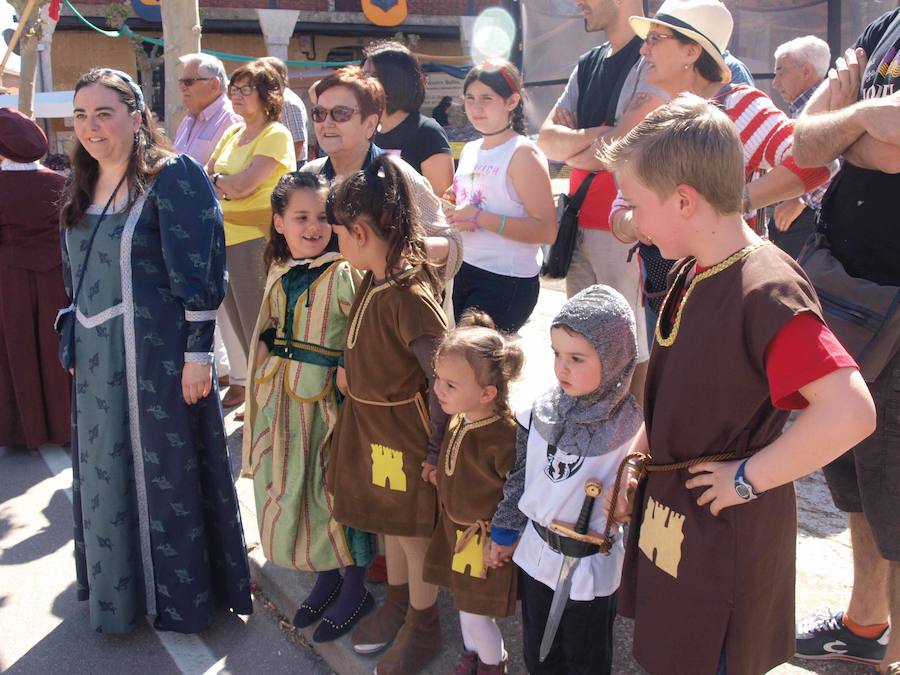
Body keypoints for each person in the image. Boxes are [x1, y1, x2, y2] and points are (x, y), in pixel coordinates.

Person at [596, 94, 876, 675]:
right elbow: (680, 391)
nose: (633, 222)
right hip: (677, 522)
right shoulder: (695, 266)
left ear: (683, 200)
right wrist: (638, 456)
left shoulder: (764, 288)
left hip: (724, 537)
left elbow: (851, 412)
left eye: (639, 206)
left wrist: (750, 478)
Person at [61, 68, 252, 633]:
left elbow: (199, 267)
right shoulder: (79, 181)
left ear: (138, 116)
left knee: (161, 470)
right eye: (80, 116)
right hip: (98, 360)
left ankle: (179, 599)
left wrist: (199, 355)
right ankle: (119, 595)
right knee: (104, 471)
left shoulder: (173, 178)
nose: (91, 128)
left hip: (157, 357)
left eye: (104, 113)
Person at [608, 0, 835, 350]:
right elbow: (618, 212)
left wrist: (731, 202)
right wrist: (638, 223)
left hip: (729, 294)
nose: (643, 49)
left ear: (691, 50)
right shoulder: (660, 117)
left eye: (656, 39)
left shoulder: (741, 105)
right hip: (664, 295)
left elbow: (815, 163)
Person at [791, 9, 900, 672]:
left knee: (897, 489)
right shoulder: (882, 25)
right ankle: (866, 623)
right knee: (859, 472)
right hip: (851, 294)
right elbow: (803, 142)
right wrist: (863, 121)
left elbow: (892, 146)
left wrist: (845, 120)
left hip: (895, 303)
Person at [324, 155, 448, 675]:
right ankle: (398, 605)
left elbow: (445, 377)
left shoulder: (409, 294)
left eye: (338, 235)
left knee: (415, 535)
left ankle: (425, 626)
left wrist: (438, 449)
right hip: (377, 433)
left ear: (358, 231)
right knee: (392, 528)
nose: (337, 245)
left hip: (407, 439)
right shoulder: (375, 279)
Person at [241, 172, 374, 642]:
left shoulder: (342, 274)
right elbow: (268, 331)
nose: (313, 226)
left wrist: (346, 369)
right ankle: (327, 575)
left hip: (331, 406)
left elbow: (364, 334)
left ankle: (356, 585)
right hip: (285, 403)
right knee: (300, 488)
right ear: (279, 223)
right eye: (301, 217)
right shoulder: (283, 274)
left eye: (323, 217)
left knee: (336, 490)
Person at [489, 284, 643, 674]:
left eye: (577, 358)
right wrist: (505, 532)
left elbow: (638, 497)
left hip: (591, 570)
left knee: (586, 660)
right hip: (537, 556)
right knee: (538, 654)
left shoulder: (632, 431)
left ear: (614, 358)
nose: (562, 368)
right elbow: (520, 478)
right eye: (557, 354)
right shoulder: (539, 412)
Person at [537, 0, 667, 406]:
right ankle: (593, 428)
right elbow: (546, 139)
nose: (579, 4)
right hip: (579, 221)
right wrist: (599, 140)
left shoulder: (652, 57)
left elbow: (622, 144)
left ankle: (633, 441)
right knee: (583, 337)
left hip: (625, 224)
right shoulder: (588, 62)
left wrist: (582, 145)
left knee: (631, 341)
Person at [422, 310, 524, 675]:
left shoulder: (503, 435)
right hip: (456, 532)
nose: (438, 389)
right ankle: (472, 653)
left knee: (477, 612)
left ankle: (493, 664)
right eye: (439, 378)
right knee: (463, 602)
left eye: (450, 384)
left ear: (487, 393)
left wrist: (504, 536)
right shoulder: (460, 416)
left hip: (484, 543)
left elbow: (516, 490)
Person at [301, 65, 462, 284]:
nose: (326, 123)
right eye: (319, 113)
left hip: (382, 310)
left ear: (369, 124)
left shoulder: (397, 177)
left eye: (340, 113)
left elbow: (452, 244)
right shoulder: (310, 174)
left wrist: (395, 250)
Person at [207, 59, 296, 413]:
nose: (237, 95)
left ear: (267, 95)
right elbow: (208, 174)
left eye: (246, 89)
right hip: (224, 238)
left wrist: (222, 185)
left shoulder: (276, 134)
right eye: (235, 88)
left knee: (262, 326)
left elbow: (243, 185)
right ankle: (262, 398)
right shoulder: (232, 133)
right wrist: (223, 185)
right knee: (243, 327)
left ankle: (273, 402)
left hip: (254, 240)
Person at [446, 60, 557, 333]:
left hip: (507, 280)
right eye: (470, 98)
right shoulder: (471, 149)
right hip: (464, 269)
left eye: (487, 98)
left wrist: (480, 218)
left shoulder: (523, 153)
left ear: (512, 101)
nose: (476, 107)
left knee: (477, 369)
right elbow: (468, 198)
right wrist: (450, 202)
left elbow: (546, 231)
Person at [172, 52, 245, 407]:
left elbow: (215, 176)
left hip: (217, 226)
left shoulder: (229, 122)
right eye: (182, 82)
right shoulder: (187, 121)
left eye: (189, 81)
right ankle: (227, 370)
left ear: (214, 85)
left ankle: (240, 378)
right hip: (183, 224)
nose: (182, 89)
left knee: (224, 304)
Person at [0, 108, 70, 450]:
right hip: (54, 276)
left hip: (8, 278)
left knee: (17, 350)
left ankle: (23, 431)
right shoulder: (60, 182)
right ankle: (63, 425)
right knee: (54, 347)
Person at [768, 36, 832, 258]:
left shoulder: (825, 108)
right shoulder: (807, 108)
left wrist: (800, 199)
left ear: (806, 71)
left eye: (781, 72)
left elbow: (834, 164)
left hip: (811, 221)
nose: (775, 83)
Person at [364, 41, 455, 196]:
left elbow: (442, 202)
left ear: (395, 80)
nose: (361, 82)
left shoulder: (427, 133)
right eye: (362, 74)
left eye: (369, 75)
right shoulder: (368, 131)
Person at [260, 56, 309, 165]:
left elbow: (297, 142)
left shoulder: (287, 102)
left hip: (290, 167)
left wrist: (286, 170)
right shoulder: (275, 100)